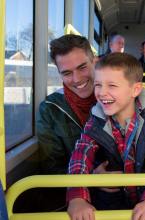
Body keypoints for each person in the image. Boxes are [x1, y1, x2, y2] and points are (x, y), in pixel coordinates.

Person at [67, 53, 145, 220]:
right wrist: (78, 197)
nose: (102, 93)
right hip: (112, 204)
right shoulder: (96, 119)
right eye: (98, 85)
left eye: (111, 85)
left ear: (135, 89)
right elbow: (80, 154)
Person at [36, 34, 97, 210]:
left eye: (82, 67)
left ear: (94, 60)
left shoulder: (118, 98)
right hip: (73, 200)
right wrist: (93, 178)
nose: (76, 79)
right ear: (59, 74)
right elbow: (51, 169)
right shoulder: (50, 109)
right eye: (67, 73)